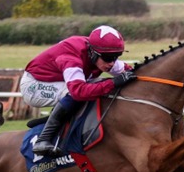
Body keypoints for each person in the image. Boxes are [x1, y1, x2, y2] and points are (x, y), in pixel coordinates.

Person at [20, 25, 137, 157]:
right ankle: (43, 140)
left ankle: (56, 120)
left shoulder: (100, 53)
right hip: (34, 85)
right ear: (93, 52)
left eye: (116, 56)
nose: (112, 63)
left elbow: (130, 72)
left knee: (95, 86)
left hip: (57, 81)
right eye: (108, 58)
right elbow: (78, 92)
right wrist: (113, 82)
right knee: (81, 91)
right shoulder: (71, 56)